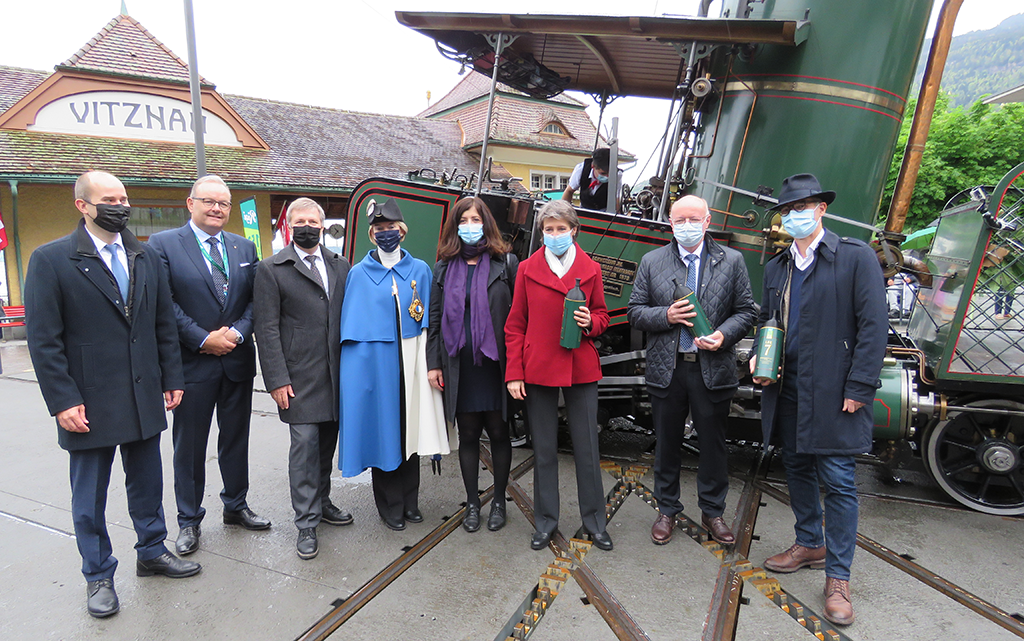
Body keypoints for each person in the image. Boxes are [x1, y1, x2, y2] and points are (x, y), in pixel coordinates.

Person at [25, 171, 200, 619]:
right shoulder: (52, 260)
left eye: (124, 198)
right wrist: (62, 400)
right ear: (82, 205)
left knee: (147, 481)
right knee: (90, 496)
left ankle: (152, 551)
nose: (120, 205)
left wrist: (172, 378)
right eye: (109, 199)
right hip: (88, 399)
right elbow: (44, 339)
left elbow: (162, 324)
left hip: (144, 392)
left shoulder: (144, 255)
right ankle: (98, 574)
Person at [751, 174, 887, 627]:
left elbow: (873, 327)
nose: (795, 215)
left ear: (822, 209)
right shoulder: (777, 267)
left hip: (833, 391)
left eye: (804, 206)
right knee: (796, 467)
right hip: (785, 388)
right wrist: (758, 358)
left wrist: (859, 388)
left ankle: (838, 578)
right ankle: (809, 541)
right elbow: (768, 323)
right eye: (787, 210)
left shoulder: (855, 257)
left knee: (839, 480)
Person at [148, 175, 270, 557]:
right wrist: (203, 338)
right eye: (209, 201)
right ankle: (188, 520)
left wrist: (234, 333)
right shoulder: (163, 245)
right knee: (190, 446)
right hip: (191, 365)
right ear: (191, 203)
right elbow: (164, 304)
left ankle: (236, 505)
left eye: (224, 204)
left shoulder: (244, 246)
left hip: (236, 361)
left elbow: (255, 300)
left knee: (235, 440)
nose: (217, 209)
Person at [627, 195, 756, 547]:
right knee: (666, 443)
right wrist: (665, 316)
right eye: (680, 219)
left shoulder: (731, 261)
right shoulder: (653, 261)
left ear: (708, 220)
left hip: (712, 369)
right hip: (667, 369)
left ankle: (713, 512)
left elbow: (747, 311)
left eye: (693, 218)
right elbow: (635, 311)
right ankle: (666, 509)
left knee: (714, 446)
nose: (687, 225)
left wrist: (724, 335)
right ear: (670, 222)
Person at [505, 200, 613, 551]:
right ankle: (545, 522)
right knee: (545, 451)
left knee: (587, 448)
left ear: (573, 230)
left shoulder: (591, 269)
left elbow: (602, 317)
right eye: (548, 229)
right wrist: (514, 373)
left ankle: (595, 522)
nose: (554, 235)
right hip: (537, 368)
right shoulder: (526, 269)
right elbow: (515, 325)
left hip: (580, 367)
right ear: (542, 232)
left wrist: (590, 323)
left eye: (560, 229)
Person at [338, 198, 448, 531]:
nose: (387, 234)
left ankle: (411, 501)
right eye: (380, 229)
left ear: (402, 231)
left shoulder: (420, 271)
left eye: (392, 229)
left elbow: (431, 322)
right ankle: (390, 505)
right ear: (372, 235)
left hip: (412, 363)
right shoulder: (358, 274)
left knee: (410, 432)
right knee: (384, 433)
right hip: (377, 367)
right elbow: (353, 332)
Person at [254, 198, 354, 560]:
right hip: (297, 376)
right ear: (289, 226)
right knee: (305, 447)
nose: (307, 226)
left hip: (336, 373)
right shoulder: (271, 268)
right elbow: (265, 329)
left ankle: (323, 501)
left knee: (326, 444)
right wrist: (276, 379)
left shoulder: (341, 265)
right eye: (300, 221)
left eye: (313, 220)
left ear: (323, 226)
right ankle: (306, 522)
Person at [426, 197, 518, 533]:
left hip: (494, 366)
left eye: (475, 219)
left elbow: (516, 318)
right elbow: (434, 320)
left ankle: (497, 502)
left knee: (498, 433)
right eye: (463, 220)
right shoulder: (442, 267)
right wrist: (433, 364)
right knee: (467, 436)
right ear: (455, 226)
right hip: (457, 366)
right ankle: (472, 504)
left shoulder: (505, 263)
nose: (469, 226)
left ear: (486, 223)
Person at [562, 148, 622, 212]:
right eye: (603, 173)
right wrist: (564, 212)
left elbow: (616, 200)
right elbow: (569, 191)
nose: (607, 176)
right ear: (593, 167)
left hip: (605, 213)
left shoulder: (618, 175)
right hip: (584, 211)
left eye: (610, 173)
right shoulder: (581, 169)